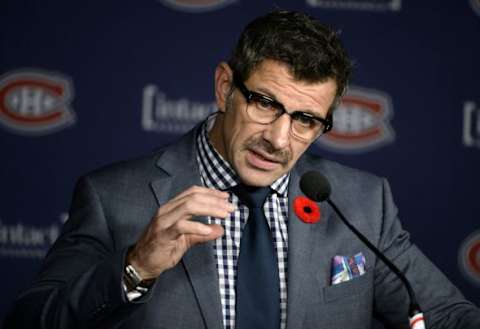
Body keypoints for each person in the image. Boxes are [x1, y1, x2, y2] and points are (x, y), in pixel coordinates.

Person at [5, 10, 480, 329]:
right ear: (225, 86)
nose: (278, 139)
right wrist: (135, 268)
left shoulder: (362, 202)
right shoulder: (113, 197)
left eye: (306, 120)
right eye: (265, 104)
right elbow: (31, 320)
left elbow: (448, 316)